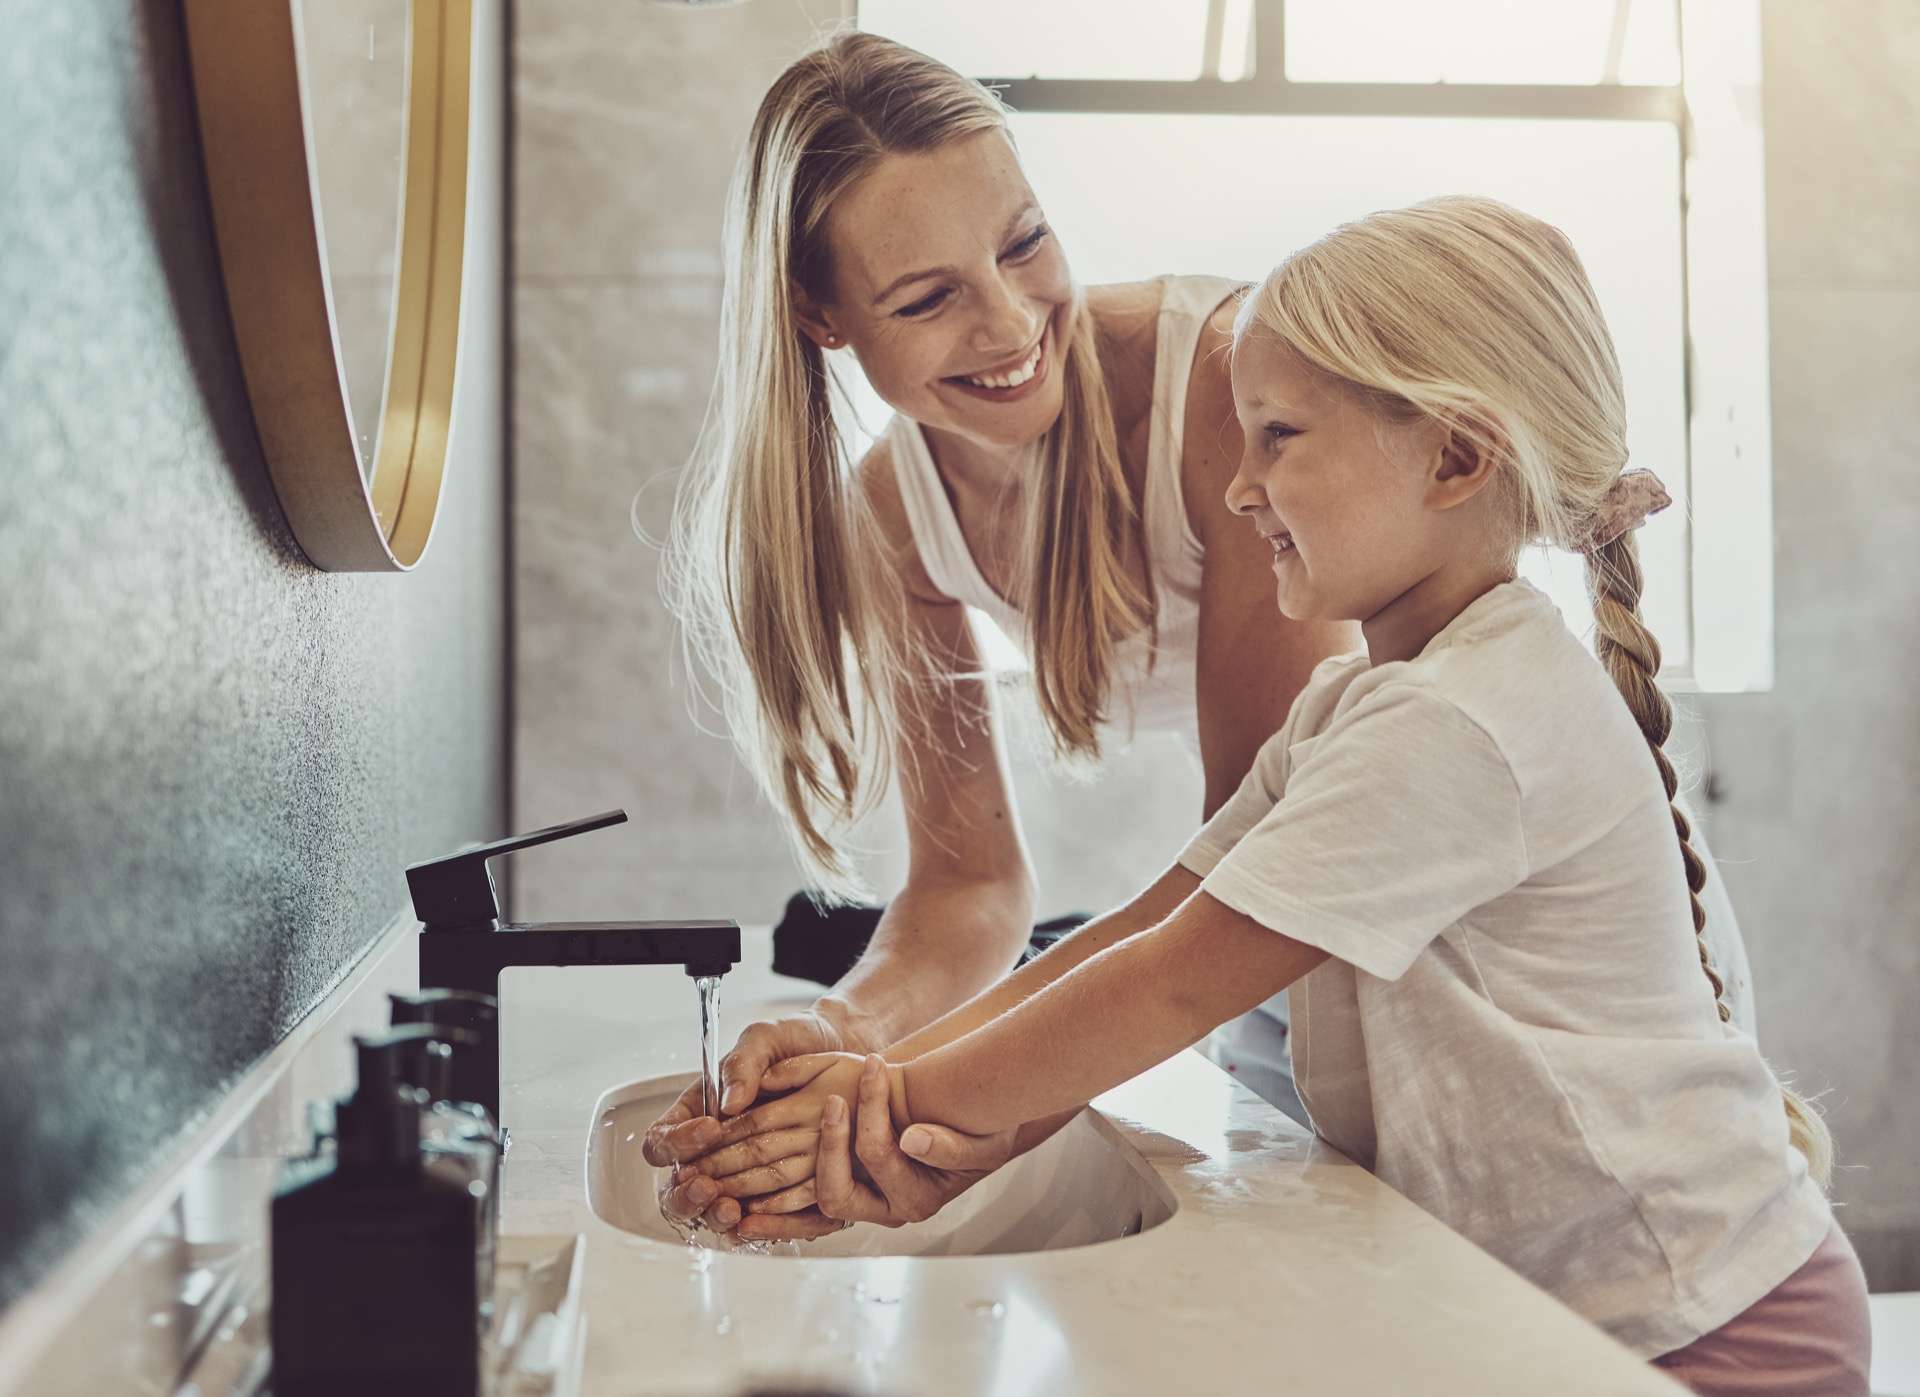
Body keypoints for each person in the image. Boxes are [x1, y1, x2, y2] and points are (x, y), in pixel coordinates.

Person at [676, 198, 1870, 1393]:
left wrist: (890, 1104)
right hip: (1587, 1309)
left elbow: (1179, 979)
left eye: (1279, 437)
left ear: (1455, 457)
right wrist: (897, 1079)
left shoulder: (1457, 718)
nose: (1239, 492)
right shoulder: (1362, 702)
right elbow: (1151, 922)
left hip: (1711, 1330)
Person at [647, 29, 1757, 1244]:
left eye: (1023, 241)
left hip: (1417, 956)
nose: (1014, 319)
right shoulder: (895, 514)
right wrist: (849, 1038)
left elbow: (1235, 899)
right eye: (927, 297)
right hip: (1289, 936)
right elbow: (973, 885)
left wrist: (916, 1108)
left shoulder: (1225, 398)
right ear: (818, 315)